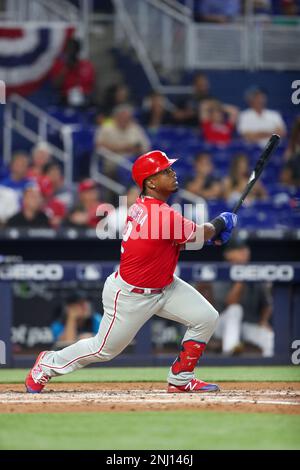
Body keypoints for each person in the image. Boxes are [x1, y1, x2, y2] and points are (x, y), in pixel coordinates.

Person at [25, 150, 238, 394]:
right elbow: (198, 234)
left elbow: (177, 238)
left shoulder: (146, 207)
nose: (173, 173)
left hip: (165, 286)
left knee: (206, 317)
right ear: (151, 182)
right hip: (131, 295)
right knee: (103, 350)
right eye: (166, 171)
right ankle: (47, 364)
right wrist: (220, 223)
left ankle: (181, 377)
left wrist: (211, 235)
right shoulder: (159, 213)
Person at [212, 238, 274, 357]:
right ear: (228, 254)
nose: (245, 252)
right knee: (235, 309)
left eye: (245, 249)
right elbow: (230, 302)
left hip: (247, 325)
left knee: (269, 337)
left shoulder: (254, 272)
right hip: (221, 324)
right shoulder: (222, 272)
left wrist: (263, 321)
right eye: (239, 249)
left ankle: (269, 370)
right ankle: (229, 354)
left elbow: (267, 304)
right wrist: (242, 277)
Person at [95, 104, 151, 175]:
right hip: (114, 160)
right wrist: (123, 147)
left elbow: (146, 146)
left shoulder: (136, 128)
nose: (125, 120)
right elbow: (99, 146)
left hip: (134, 159)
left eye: (127, 118)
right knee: (127, 167)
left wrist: (137, 149)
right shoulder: (106, 128)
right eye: (122, 117)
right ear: (116, 117)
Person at [50, 37, 95, 107]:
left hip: (85, 97)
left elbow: (91, 85)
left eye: (73, 49)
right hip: (66, 98)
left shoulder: (87, 65)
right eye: (69, 49)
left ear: (78, 50)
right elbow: (56, 85)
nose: (71, 52)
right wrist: (66, 68)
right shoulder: (59, 65)